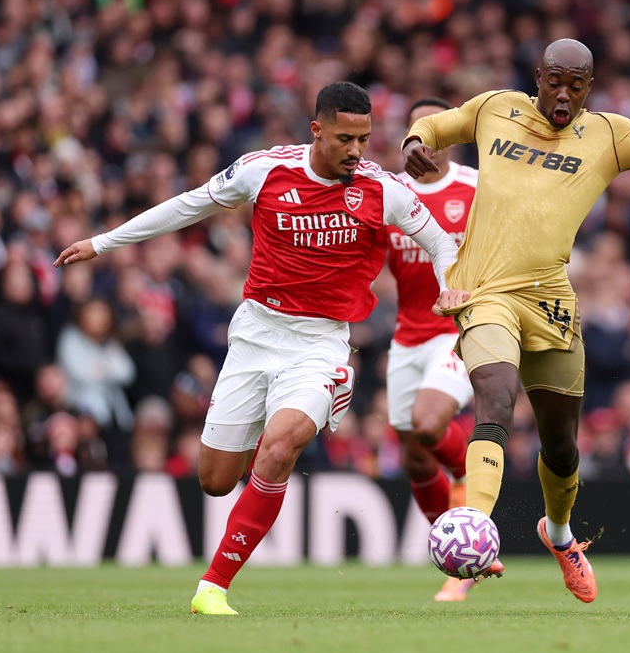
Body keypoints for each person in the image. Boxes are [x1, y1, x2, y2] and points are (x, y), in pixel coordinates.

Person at [55, 82, 465, 616]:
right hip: (255, 338)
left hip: (321, 343)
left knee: (278, 448)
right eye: (345, 138)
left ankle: (213, 586)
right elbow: (187, 207)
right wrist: (103, 242)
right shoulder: (264, 170)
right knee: (215, 480)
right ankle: (283, 430)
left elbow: (439, 241)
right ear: (316, 130)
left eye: (364, 139)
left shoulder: (383, 189)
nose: (357, 151)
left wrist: (449, 287)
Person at [402, 38, 630, 603]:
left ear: (590, 87)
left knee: (561, 446)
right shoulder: (495, 109)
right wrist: (415, 139)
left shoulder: (608, 134)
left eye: (576, 85)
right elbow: (439, 126)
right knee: (496, 395)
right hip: (485, 293)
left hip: (551, 301)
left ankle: (558, 535)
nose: (563, 94)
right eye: (554, 81)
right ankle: (475, 528)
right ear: (538, 76)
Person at [386, 98, 477, 602]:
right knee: (416, 459)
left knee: (427, 423)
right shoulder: (390, 194)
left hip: (459, 328)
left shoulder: (476, 187)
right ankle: (460, 557)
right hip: (406, 335)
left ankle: (467, 468)